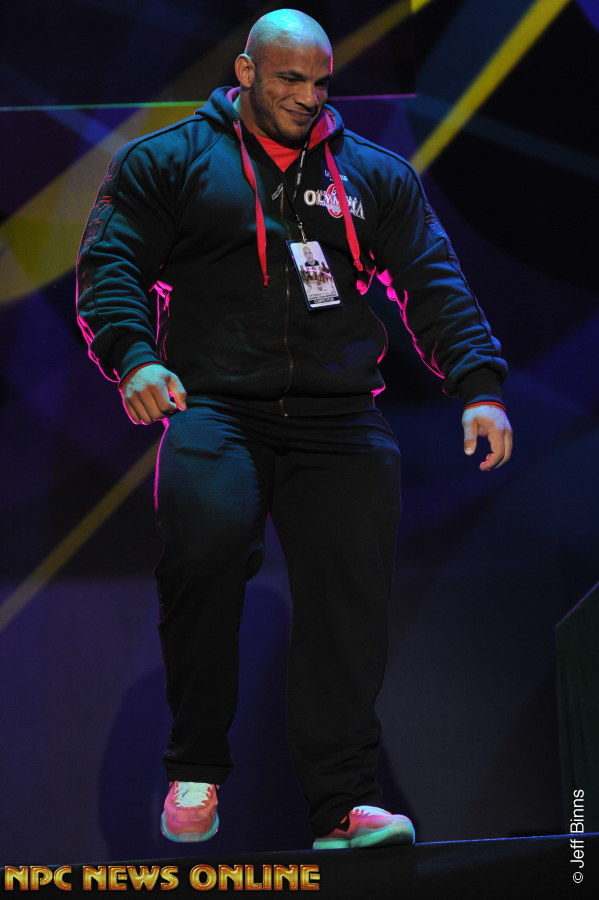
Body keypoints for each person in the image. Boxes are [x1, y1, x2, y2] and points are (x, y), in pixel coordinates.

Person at [76, 8, 512, 850]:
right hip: (214, 405)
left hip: (338, 414)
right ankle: (196, 768)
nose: (308, 98)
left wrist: (478, 387)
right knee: (206, 549)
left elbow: (432, 279)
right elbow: (111, 264)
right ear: (245, 72)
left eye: (320, 82)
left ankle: (343, 804)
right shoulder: (169, 160)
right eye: (289, 79)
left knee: (348, 601)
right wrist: (133, 359)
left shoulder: (371, 173)